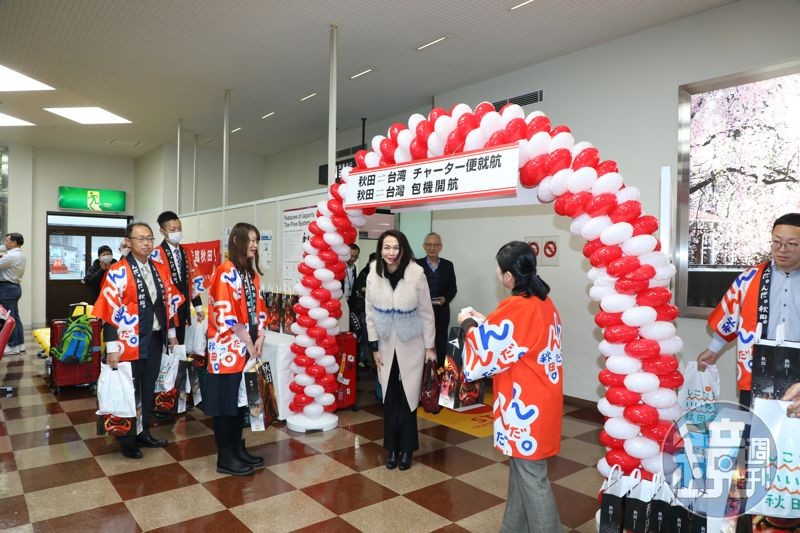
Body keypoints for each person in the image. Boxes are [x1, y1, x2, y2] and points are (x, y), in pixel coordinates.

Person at [458, 241, 563, 533]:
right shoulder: (543, 302)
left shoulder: (517, 307)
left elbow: (487, 355)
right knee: (521, 472)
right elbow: (510, 337)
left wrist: (468, 324)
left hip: (525, 404)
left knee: (532, 477)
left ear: (508, 277)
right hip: (541, 399)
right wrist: (484, 322)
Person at [92, 223, 184, 459]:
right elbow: (109, 310)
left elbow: (169, 304)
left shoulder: (160, 269)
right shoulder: (118, 271)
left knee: (147, 385)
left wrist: (171, 334)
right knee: (128, 388)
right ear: (128, 242)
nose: (146, 243)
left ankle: (143, 431)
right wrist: (111, 348)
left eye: (149, 238)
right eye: (140, 238)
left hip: (153, 338)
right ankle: (127, 437)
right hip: (127, 342)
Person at [697, 213, 800, 407]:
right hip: (758, 364)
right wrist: (713, 349)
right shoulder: (750, 277)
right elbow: (731, 314)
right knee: (754, 429)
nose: (782, 250)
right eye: (776, 242)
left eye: (792, 244)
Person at [365, 230, 435, 471]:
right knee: (390, 398)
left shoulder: (417, 274)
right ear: (380, 250)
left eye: (395, 248)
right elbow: (369, 314)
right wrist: (373, 346)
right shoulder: (374, 273)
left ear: (403, 249)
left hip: (412, 345)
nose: (391, 253)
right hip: (385, 345)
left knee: (408, 399)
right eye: (387, 248)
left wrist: (430, 347)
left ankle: (407, 450)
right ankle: (392, 449)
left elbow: (427, 313)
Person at [206, 222, 267, 476]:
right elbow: (225, 314)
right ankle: (225, 456)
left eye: (256, 240)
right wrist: (249, 340)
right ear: (236, 242)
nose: (254, 245)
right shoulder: (224, 271)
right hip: (227, 350)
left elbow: (259, 308)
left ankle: (237, 448)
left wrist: (261, 335)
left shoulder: (251, 274)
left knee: (242, 401)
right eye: (250, 240)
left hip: (247, 347)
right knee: (226, 404)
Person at [152, 211, 205, 344]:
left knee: (179, 348)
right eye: (173, 229)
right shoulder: (156, 254)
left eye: (179, 229)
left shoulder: (186, 252)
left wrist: (198, 308)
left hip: (183, 309)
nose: (177, 232)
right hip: (165, 311)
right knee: (166, 351)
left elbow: (193, 281)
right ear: (162, 231)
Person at [416, 232, 457, 365]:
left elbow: (453, 287)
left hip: (441, 310)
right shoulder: (416, 265)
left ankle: (439, 373)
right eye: (429, 244)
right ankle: (422, 374)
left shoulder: (448, 265)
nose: (432, 247)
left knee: (440, 342)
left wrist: (445, 298)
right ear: (424, 246)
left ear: (440, 247)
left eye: (435, 244)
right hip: (420, 312)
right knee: (421, 342)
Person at [0, 233, 27, 355]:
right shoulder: (19, 254)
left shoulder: (11, 256)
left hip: (7, 288)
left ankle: (12, 346)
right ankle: (20, 344)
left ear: (14, 242)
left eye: (7, 241)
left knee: (8, 319)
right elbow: (3, 249)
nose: (5, 243)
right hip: (14, 288)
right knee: (15, 318)